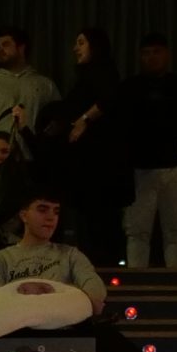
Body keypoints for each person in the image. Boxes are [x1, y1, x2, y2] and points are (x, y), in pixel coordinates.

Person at [119, 33, 177, 269]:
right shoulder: (131, 88)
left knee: (176, 231)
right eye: (146, 53)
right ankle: (136, 281)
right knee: (138, 231)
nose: (151, 57)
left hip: (176, 166)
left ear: (167, 54)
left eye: (156, 52)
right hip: (140, 169)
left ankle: (176, 280)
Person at [0, 179, 102, 346]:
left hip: (65, 337)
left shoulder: (71, 255)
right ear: (24, 215)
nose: (51, 218)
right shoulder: (0, 259)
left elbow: (96, 294)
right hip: (14, 339)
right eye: (42, 210)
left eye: (56, 212)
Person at [63, 29, 128, 258]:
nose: (75, 48)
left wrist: (84, 119)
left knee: (99, 223)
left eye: (81, 42)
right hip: (88, 166)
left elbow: (109, 98)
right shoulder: (86, 75)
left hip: (100, 167)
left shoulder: (103, 72)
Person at [0, 25, 62, 173]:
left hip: (35, 165)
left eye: (5, 44)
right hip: (0, 166)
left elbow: (58, 122)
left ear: (21, 48)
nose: (0, 50)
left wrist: (48, 155)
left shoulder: (45, 85)